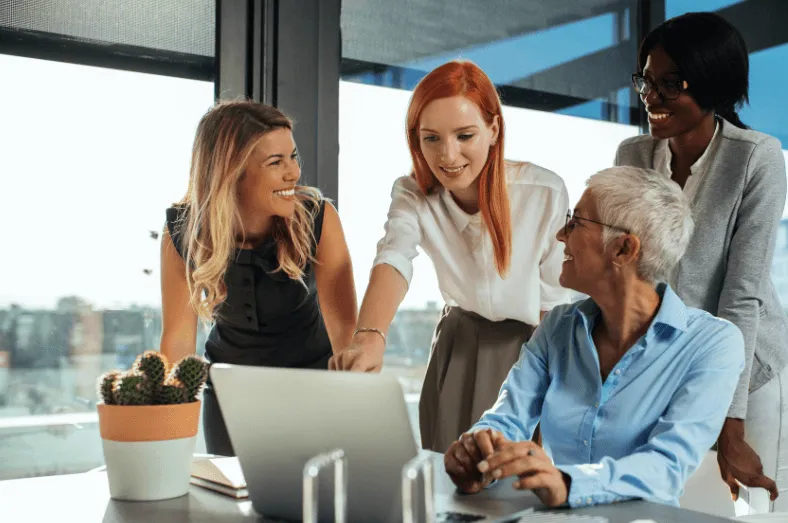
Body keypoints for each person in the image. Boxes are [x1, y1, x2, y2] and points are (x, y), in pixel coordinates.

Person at [443, 166, 745, 508]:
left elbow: (667, 465)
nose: (560, 235)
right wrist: (479, 451)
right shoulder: (557, 327)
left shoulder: (713, 344)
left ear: (623, 249)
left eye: (576, 222)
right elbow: (507, 417)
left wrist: (569, 484)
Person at [615, 12, 788, 511]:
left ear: (713, 83)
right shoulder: (633, 156)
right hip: (673, 376)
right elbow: (624, 279)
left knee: (762, 516)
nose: (650, 98)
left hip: (754, 383)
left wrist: (730, 425)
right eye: (646, 82)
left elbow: (741, 296)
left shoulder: (756, 158)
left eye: (670, 84)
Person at [328, 60, 571, 453]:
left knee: (517, 481)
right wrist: (369, 337)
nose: (448, 155)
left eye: (464, 135)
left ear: (493, 130)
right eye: (432, 139)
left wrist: (551, 391)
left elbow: (553, 307)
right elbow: (394, 256)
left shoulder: (543, 191)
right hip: (458, 344)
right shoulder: (411, 193)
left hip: (532, 346)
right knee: (448, 472)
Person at [159, 99, 358, 456]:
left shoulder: (319, 218)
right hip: (230, 399)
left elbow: (347, 337)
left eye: (293, 157)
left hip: (314, 393)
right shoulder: (182, 229)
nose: (294, 173)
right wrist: (168, 450)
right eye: (276, 162)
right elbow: (177, 342)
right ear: (232, 172)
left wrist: (359, 424)